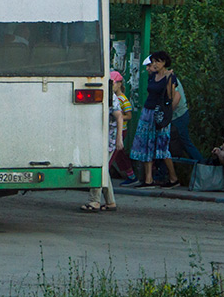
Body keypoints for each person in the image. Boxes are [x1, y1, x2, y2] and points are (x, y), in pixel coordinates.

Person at [125, 52, 175, 188]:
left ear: (164, 62)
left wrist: (167, 114)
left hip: (159, 113)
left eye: (157, 61)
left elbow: (171, 97)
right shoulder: (153, 76)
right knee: (146, 144)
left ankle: (173, 177)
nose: (154, 64)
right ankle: (148, 179)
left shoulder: (170, 77)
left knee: (162, 146)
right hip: (148, 111)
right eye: (153, 62)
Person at [83, 70, 129, 212]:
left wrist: (118, 139)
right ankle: (110, 202)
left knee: (98, 167)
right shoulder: (107, 94)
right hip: (104, 137)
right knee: (104, 169)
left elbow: (119, 116)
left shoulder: (111, 97)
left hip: (108, 138)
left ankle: (94, 201)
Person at [154, 54, 202, 185]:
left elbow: (177, 97)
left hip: (178, 116)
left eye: (154, 63)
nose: (151, 66)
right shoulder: (158, 78)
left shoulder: (169, 77)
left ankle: (203, 169)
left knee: (184, 142)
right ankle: (162, 174)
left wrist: (167, 114)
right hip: (173, 116)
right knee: (164, 144)